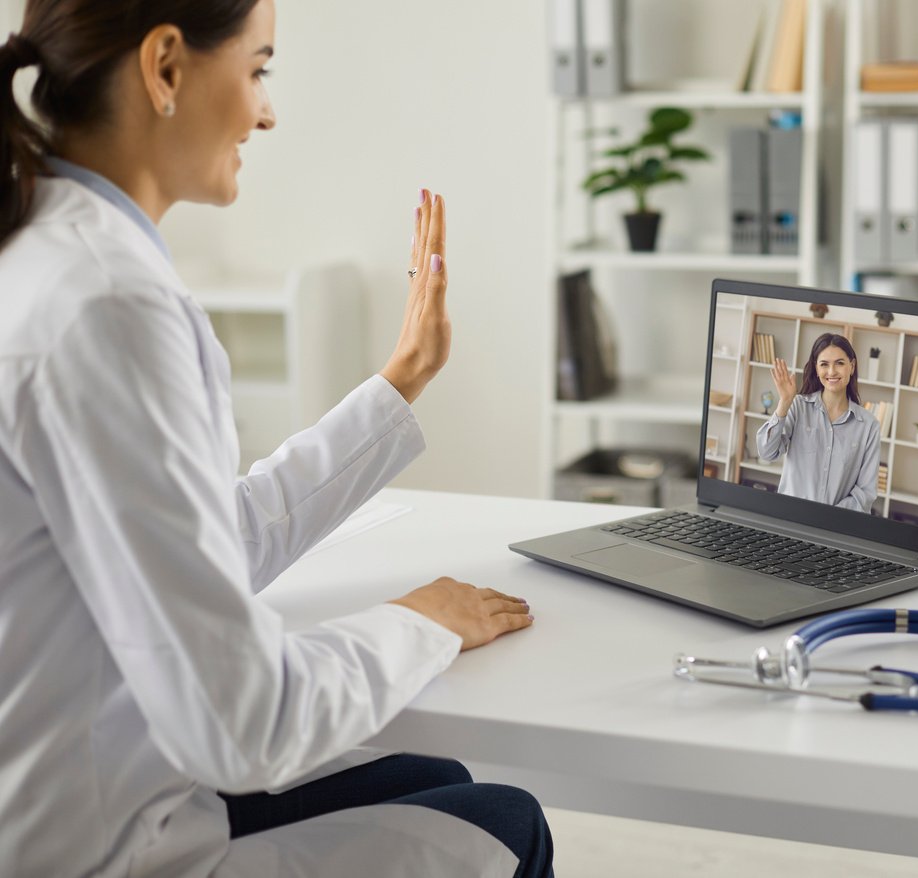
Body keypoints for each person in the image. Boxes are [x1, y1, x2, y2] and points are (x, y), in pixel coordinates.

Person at [0, 2, 552, 876]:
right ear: (166, 68)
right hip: (94, 849)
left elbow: (207, 541)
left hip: (93, 790)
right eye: (257, 70)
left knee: (434, 775)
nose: (267, 112)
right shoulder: (106, 304)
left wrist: (401, 377)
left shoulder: (50, 252)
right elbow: (242, 722)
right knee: (506, 826)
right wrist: (416, 623)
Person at [756, 333, 881, 512]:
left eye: (840, 363)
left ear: (851, 366)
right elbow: (767, 452)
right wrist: (784, 402)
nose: (831, 372)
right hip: (789, 520)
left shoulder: (869, 426)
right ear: (816, 368)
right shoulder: (797, 406)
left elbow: (866, 493)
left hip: (835, 528)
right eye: (824, 364)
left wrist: (829, 518)